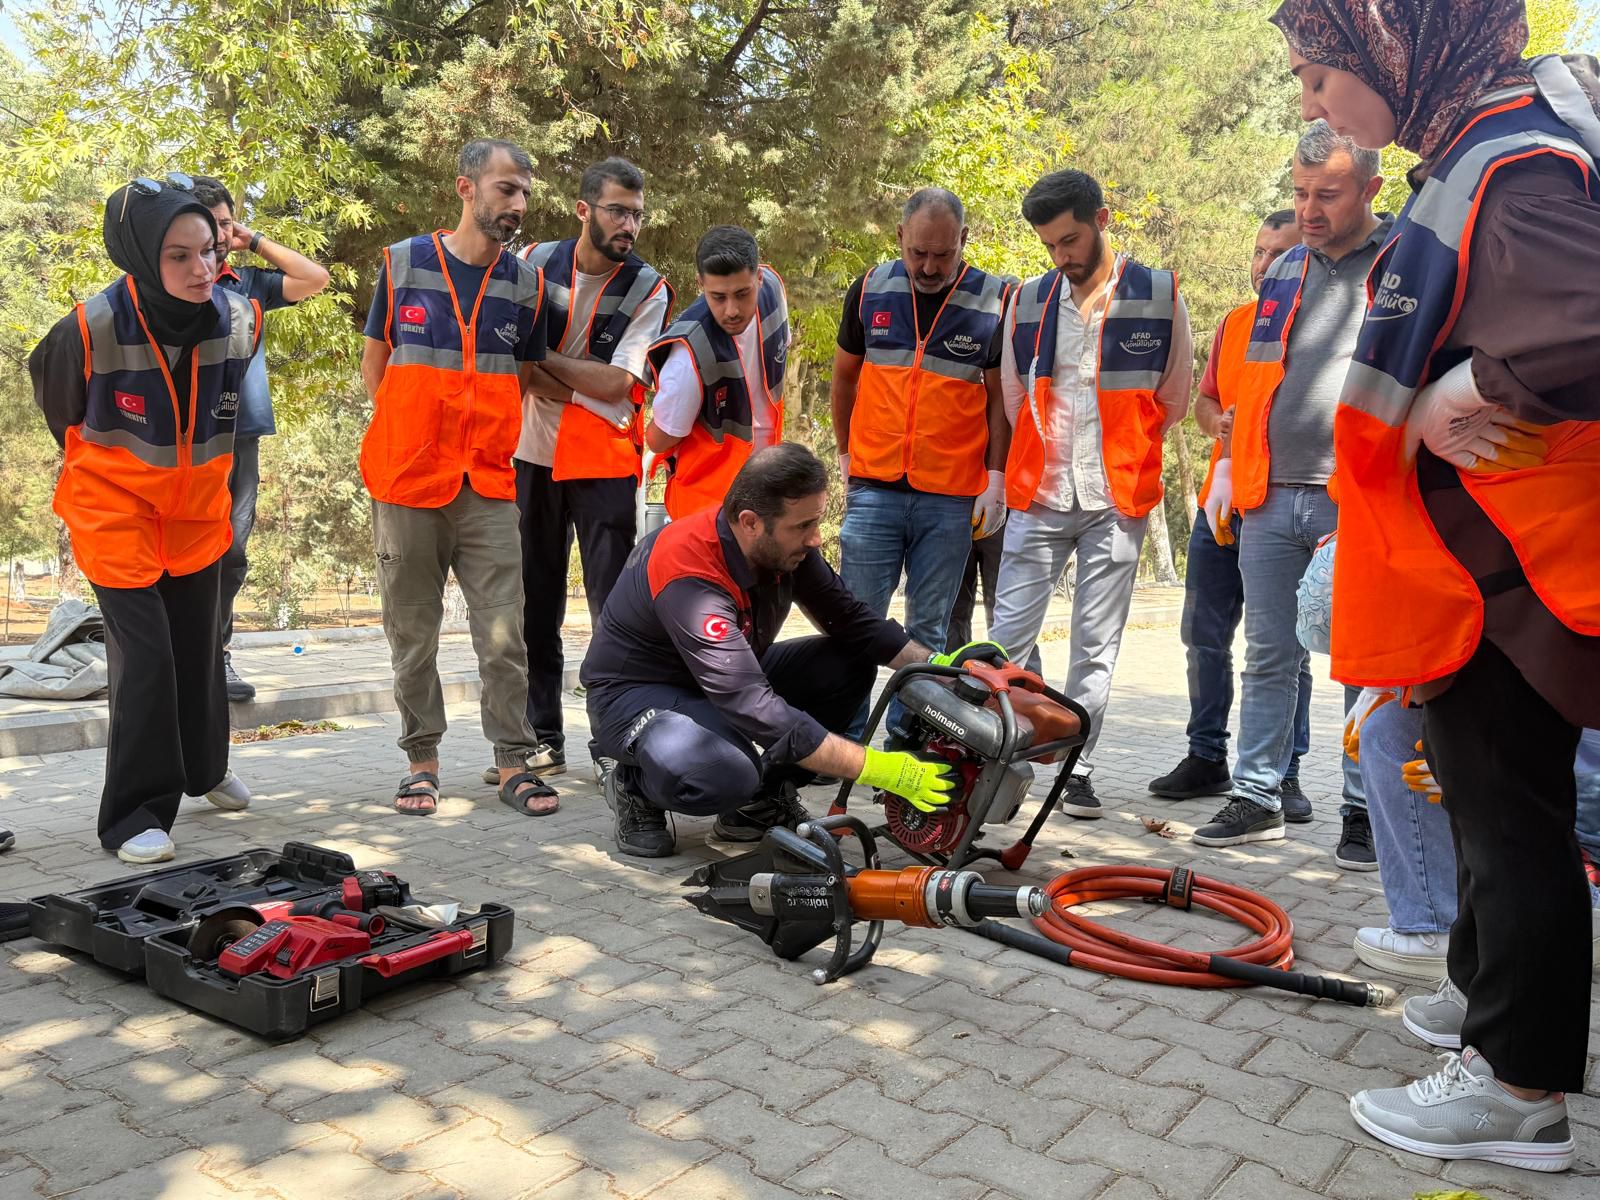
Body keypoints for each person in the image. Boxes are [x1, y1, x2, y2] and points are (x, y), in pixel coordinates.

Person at [1272, 0, 1600, 1171]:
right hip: (1479, 565)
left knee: (1510, 811)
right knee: (1481, 797)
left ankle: (1516, 1090)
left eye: (1319, 72)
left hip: (1516, 567)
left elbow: (1584, 326)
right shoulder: (1475, 144)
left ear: (1394, 47)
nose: (1311, 99)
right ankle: (1486, 997)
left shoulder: (1513, 163)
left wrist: (1475, 389)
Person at [581, 444, 971, 858]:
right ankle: (633, 784)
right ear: (750, 522)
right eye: (803, 525)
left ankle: (756, 804)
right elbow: (753, 706)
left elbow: (850, 620)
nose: (815, 537)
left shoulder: (780, 546)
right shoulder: (690, 572)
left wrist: (942, 668)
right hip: (634, 697)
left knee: (849, 663)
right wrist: (881, 768)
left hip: (715, 678)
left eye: (817, 521)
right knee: (726, 773)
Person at [28, 175, 260, 863]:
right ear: (139, 257)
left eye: (208, 251)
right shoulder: (90, 327)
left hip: (196, 518)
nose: (202, 269)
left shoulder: (240, 319)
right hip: (115, 517)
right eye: (178, 256)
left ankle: (204, 770)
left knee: (199, 651)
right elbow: (60, 409)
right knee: (149, 660)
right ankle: (134, 816)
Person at [1190, 122, 1388, 865]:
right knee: (1269, 654)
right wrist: (1230, 462)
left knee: (1364, 662)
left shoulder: (1402, 259)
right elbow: (1251, 385)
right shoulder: (1284, 271)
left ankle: (1364, 808)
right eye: (1301, 193)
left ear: (1370, 189)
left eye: (1327, 195)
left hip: (1357, 498)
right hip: (1270, 496)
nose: (1308, 210)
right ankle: (1258, 796)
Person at [359, 138, 557, 819]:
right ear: (466, 188)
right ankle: (422, 762)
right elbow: (376, 366)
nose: (519, 203)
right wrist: (413, 433)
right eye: (506, 188)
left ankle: (513, 763)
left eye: (525, 191)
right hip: (408, 480)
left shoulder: (527, 285)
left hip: (490, 485)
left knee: (505, 634)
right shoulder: (402, 263)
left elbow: (520, 378)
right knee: (412, 632)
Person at [988, 168, 1194, 819]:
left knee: (1095, 651)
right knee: (1004, 642)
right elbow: (1015, 396)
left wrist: (1122, 448)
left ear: (1102, 220)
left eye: (1070, 240)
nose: (1061, 256)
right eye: (1049, 245)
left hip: (1116, 500)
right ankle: (995, 756)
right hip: (1039, 494)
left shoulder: (1159, 294)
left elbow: (1173, 398)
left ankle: (1076, 769)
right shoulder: (1026, 300)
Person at [503, 157, 673, 786]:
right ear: (584, 210)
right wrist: (581, 387)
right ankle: (542, 739)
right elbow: (513, 364)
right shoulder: (533, 262)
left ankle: (615, 744)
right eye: (617, 211)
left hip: (604, 464)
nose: (629, 224)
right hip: (530, 455)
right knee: (535, 605)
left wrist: (546, 366)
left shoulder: (649, 287)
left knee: (613, 611)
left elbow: (619, 383)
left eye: (637, 214)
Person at [831, 188, 1013, 736]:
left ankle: (908, 740)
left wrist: (996, 478)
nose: (929, 267)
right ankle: (844, 741)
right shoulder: (869, 289)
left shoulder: (995, 300)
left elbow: (999, 399)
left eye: (942, 254)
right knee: (854, 623)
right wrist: (845, 454)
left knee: (929, 630)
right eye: (918, 253)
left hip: (951, 496)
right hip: (874, 488)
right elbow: (844, 378)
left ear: (964, 241)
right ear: (899, 239)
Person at [1148, 212, 1313, 804]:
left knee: (1286, 648)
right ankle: (1206, 756)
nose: (1264, 266)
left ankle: (1285, 773)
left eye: (1279, 254)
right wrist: (1216, 421)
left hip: (1282, 502)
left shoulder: (1317, 323)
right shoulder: (1236, 323)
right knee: (1204, 636)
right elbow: (1206, 401)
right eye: (1259, 252)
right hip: (1220, 503)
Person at [189, 176, 331, 703]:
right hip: (179, 441)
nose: (221, 234)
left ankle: (215, 657)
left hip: (238, 436)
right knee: (178, 547)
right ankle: (172, 658)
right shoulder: (171, 280)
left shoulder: (248, 283)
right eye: (211, 225)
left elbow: (314, 278)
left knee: (231, 552)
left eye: (227, 223)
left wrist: (253, 240)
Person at [644, 227, 789, 519]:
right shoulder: (688, 356)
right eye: (718, 297)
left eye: (742, 294)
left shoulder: (774, 291)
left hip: (764, 491)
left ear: (760, 277)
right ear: (701, 284)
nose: (732, 310)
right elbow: (659, 440)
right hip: (705, 512)